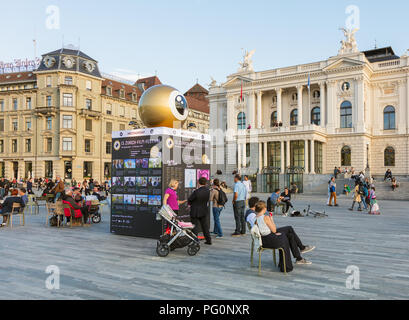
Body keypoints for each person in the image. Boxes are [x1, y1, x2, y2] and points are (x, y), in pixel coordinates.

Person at [253, 201, 313, 273]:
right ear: (264, 209)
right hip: (269, 238)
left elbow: (262, 230)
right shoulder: (265, 217)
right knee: (287, 236)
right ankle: (291, 262)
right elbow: (274, 230)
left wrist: (274, 232)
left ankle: (299, 254)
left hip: (264, 238)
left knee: (289, 230)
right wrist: (271, 219)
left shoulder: (255, 218)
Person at [188, 177, 211, 245]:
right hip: (203, 210)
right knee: (205, 226)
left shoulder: (196, 191)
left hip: (195, 211)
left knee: (195, 227)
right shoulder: (208, 190)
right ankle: (208, 240)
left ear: (198, 182)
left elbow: (190, 199)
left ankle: (195, 241)